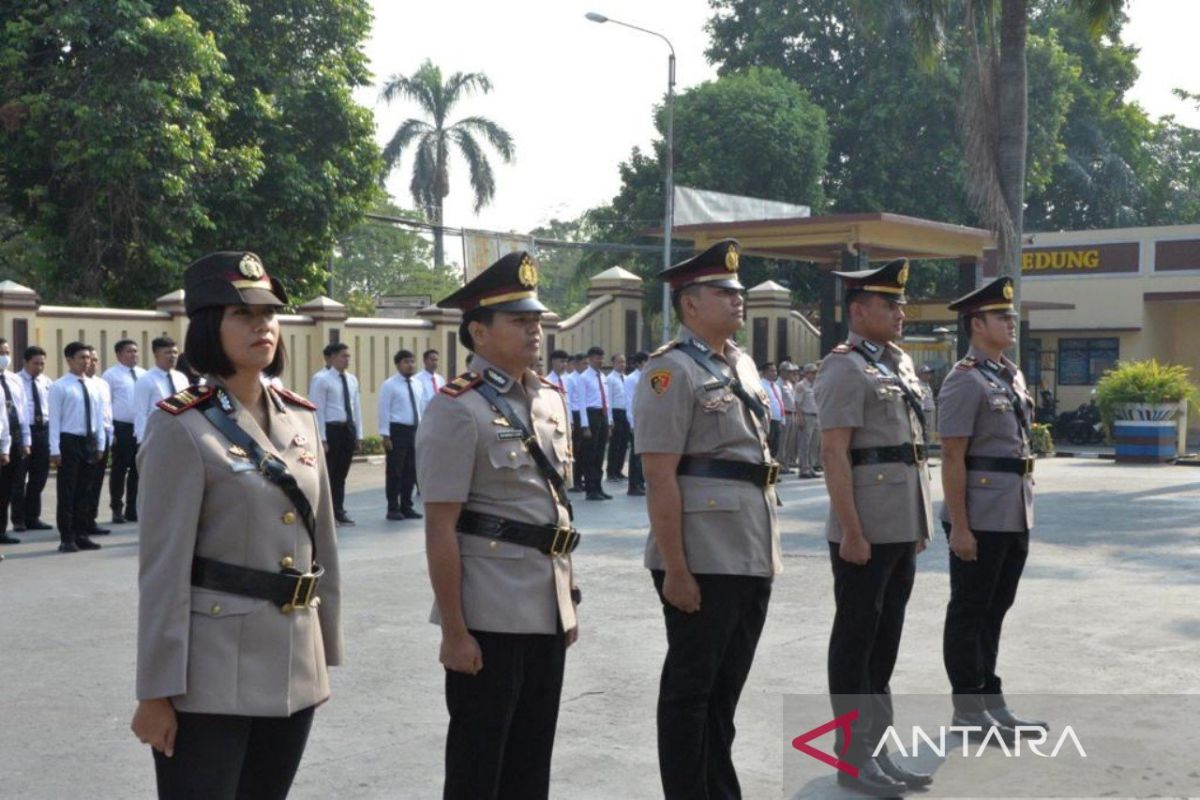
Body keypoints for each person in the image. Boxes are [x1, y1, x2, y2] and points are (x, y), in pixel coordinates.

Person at [130, 250, 341, 800]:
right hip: (211, 673)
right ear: (207, 327)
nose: (262, 326)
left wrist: (324, 652)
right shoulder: (180, 426)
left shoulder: (300, 417)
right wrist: (156, 692)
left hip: (293, 660)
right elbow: (162, 569)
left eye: (269, 315)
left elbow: (324, 544)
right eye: (242, 316)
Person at [416, 250, 579, 800]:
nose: (535, 330)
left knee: (533, 757)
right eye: (519, 321)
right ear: (479, 333)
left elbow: (557, 509)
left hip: (544, 606)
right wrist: (455, 631)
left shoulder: (551, 400)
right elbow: (441, 528)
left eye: (536, 320)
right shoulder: (455, 409)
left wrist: (567, 599)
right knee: (478, 760)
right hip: (487, 611)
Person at [634, 239, 780, 799]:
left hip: (749, 545)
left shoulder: (740, 362)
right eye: (724, 292)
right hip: (700, 552)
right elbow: (661, 475)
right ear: (690, 304)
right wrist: (675, 567)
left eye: (738, 291)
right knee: (690, 692)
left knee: (724, 691)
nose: (737, 299)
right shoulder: (669, 371)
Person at [814, 258, 935, 795]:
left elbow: (910, 451)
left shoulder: (897, 361)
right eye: (890, 304)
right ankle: (851, 754)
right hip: (864, 526)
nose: (900, 312)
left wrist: (919, 520)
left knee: (885, 642)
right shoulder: (843, 367)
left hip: (900, 522)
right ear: (859, 311)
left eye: (901, 304)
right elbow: (835, 454)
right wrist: (851, 530)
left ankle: (877, 748)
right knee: (856, 641)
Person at [938, 276, 1046, 736]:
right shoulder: (964, 380)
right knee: (970, 609)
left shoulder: (1009, 373)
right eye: (1002, 316)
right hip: (979, 514)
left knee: (995, 608)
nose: (1011, 322)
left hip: (1013, 508)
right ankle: (967, 709)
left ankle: (990, 699)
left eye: (1011, 315)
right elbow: (952, 456)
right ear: (976, 324)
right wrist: (960, 526)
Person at [49, 342, 106, 553]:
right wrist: (54, 449)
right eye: (81, 357)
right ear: (69, 360)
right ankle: (67, 537)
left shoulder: (94, 385)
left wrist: (100, 443)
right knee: (68, 490)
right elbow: (54, 420)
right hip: (69, 440)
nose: (86, 361)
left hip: (89, 441)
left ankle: (82, 534)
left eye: (88, 358)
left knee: (86, 490)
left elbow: (99, 417)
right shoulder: (60, 386)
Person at [310, 342, 363, 526]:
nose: (347, 359)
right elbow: (318, 410)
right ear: (331, 358)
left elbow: (356, 408)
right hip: (331, 430)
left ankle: (338, 510)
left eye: (348, 356)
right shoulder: (321, 379)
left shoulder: (352, 379)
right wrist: (322, 438)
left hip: (347, 429)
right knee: (329, 474)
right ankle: (326, 514)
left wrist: (358, 435)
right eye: (343, 356)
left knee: (341, 474)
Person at [379, 349, 426, 521]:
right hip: (396, 430)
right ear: (398, 364)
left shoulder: (418, 383)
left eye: (412, 361)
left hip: (414, 430)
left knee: (411, 471)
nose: (410, 365)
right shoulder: (389, 385)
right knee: (395, 471)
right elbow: (384, 410)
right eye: (406, 362)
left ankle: (407, 506)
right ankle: (393, 507)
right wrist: (385, 435)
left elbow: (421, 408)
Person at [103, 339, 146, 523]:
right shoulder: (110, 375)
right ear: (119, 354)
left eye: (135, 351)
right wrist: (111, 431)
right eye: (129, 351)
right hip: (121, 427)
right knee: (120, 469)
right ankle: (116, 508)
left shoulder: (144, 374)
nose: (134, 354)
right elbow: (106, 404)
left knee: (138, 469)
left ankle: (133, 508)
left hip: (141, 427)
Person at [13, 346, 53, 534]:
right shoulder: (16, 381)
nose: (39, 367)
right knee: (19, 477)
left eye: (42, 363)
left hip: (43, 430)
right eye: (35, 363)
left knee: (39, 476)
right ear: (25, 362)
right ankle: (18, 519)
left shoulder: (47, 382)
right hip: (23, 431)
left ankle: (33, 517)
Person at [0, 338, 29, 544]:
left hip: (15, 437)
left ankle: (2, 530)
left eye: (7, 352)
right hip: (2, 439)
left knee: (7, 487)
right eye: (1, 352)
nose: (5, 357)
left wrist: (25, 440)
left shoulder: (14, 380)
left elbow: (23, 412)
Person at [83, 346, 113, 537]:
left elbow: (107, 412)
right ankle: (77, 522)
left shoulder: (102, 384)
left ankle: (91, 519)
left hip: (103, 436)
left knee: (96, 482)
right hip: (84, 437)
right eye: (88, 359)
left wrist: (111, 433)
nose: (92, 363)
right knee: (82, 483)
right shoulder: (73, 384)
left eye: (95, 360)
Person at [134, 338, 187, 444]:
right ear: (156, 355)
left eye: (175, 352)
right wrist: (142, 440)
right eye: (168, 352)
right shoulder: (146, 379)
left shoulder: (181, 378)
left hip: (181, 433)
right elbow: (140, 412)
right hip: (157, 435)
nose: (173, 356)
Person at [578, 346, 612, 501]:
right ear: (590, 359)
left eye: (602, 358)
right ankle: (590, 489)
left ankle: (598, 487)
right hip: (591, 415)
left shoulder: (603, 377)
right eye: (598, 358)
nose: (600, 361)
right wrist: (585, 425)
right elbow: (581, 402)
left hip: (602, 415)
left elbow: (608, 400)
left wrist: (609, 421)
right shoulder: (584, 377)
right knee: (590, 454)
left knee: (600, 454)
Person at [624, 351, 648, 496]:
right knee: (635, 454)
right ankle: (633, 485)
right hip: (636, 420)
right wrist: (632, 423)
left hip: (646, 419)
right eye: (646, 361)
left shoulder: (648, 377)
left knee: (643, 454)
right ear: (639, 363)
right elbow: (629, 402)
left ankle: (640, 482)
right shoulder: (631, 379)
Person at [605, 353, 629, 481]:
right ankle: (611, 472)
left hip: (625, 413)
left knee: (623, 443)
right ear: (613, 363)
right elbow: (608, 400)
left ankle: (619, 470)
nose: (622, 365)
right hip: (615, 412)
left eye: (624, 362)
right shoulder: (610, 379)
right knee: (615, 444)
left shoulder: (626, 378)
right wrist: (610, 419)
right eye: (620, 362)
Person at [795, 363, 821, 479]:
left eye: (816, 372)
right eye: (812, 372)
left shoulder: (816, 385)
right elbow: (797, 403)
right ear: (806, 374)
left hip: (817, 416)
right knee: (805, 444)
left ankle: (811, 467)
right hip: (806, 416)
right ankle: (803, 469)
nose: (815, 374)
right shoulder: (801, 385)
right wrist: (799, 417)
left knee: (814, 444)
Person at [566, 353, 586, 493]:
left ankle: (580, 478)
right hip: (575, 414)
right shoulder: (570, 379)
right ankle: (574, 481)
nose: (586, 366)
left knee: (583, 450)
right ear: (576, 364)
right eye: (584, 363)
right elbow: (568, 401)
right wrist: (571, 421)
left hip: (583, 414)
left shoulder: (584, 378)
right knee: (576, 450)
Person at [760, 362, 784, 460]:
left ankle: (771, 468)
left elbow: (780, 403)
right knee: (768, 444)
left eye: (775, 371)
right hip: (768, 419)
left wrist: (783, 419)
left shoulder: (776, 387)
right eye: (772, 371)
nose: (775, 373)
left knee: (775, 446)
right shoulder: (761, 385)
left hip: (777, 419)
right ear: (765, 372)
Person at [776, 362, 797, 473]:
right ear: (782, 371)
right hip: (784, 415)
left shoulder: (789, 383)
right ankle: (780, 465)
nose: (791, 374)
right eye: (789, 372)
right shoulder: (777, 383)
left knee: (790, 441)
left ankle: (787, 465)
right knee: (782, 441)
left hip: (792, 414)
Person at [415, 348, 443, 417]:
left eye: (436, 360)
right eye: (432, 360)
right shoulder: (417, 379)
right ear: (424, 361)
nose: (435, 363)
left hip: (439, 415)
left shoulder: (440, 379)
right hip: (424, 416)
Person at [919, 364, 938, 444]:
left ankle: (929, 447)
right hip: (925, 412)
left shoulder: (927, 385)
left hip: (931, 412)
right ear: (921, 374)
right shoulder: (918, 384)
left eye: (929, 373)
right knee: (925, 432)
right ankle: (925, 449)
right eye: (926, 373)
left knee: (930, 432)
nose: (928, 375)